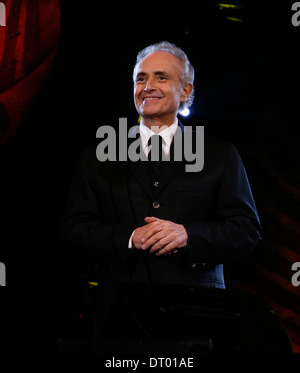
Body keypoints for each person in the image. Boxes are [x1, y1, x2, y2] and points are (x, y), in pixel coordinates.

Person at [59, 41, 262, 340]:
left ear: (186, 91)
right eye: (141, 78)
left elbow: (246, 230)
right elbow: (73, 229)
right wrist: (130, 238)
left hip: (195, 317)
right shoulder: (98, 156)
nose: (148, 86)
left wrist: (188, 235)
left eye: (161, 77)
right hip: (117, 317)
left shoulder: (220, 154)